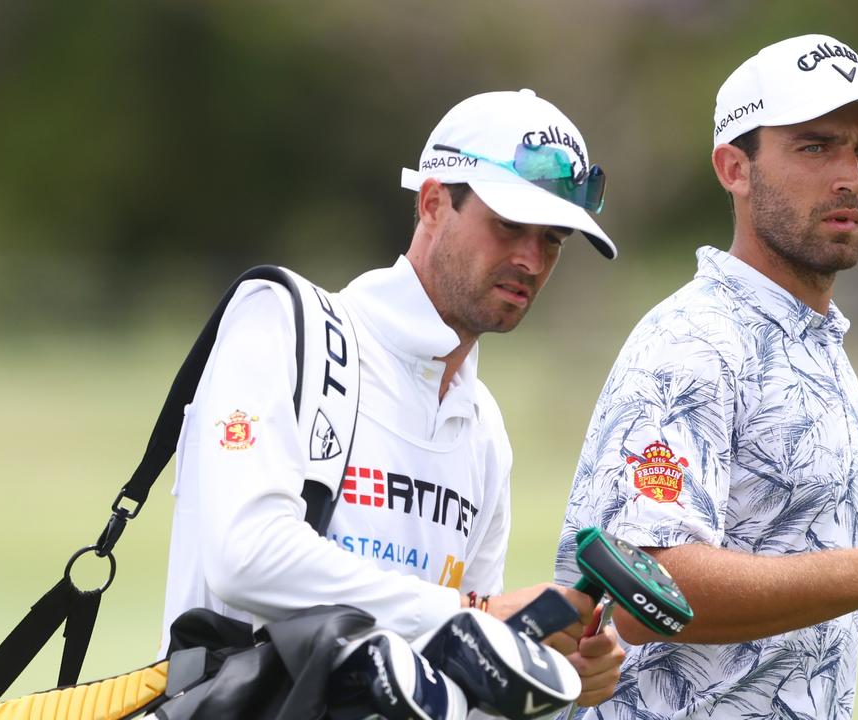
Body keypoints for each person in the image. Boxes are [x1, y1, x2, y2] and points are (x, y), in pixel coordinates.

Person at [553, 35, 858, 719]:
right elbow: (647, 594)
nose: (850, 176)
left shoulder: (813, 343)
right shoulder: (694, 342)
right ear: (734, 169)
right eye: (815, 147)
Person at [158, 88, 623, 709]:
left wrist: (549, 670)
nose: (532, 259)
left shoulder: (483, 427)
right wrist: (468, 613)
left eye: (554, 239)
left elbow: (462, 680)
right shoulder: (283, 322)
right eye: (509, 224)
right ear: (433, 202)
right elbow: (245, 557)